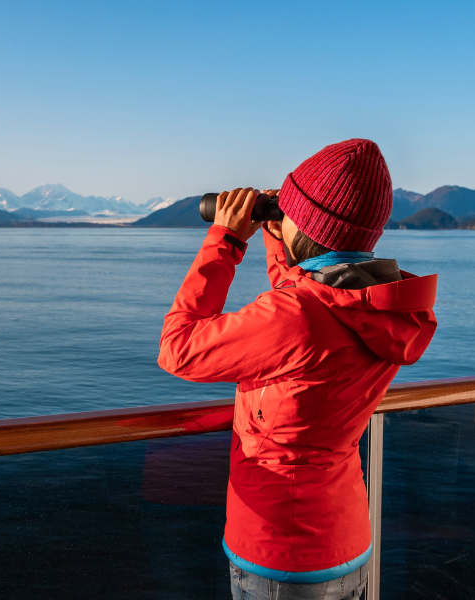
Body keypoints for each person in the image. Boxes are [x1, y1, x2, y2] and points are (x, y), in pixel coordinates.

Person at [157, 139, 438, 599]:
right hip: (345, 538)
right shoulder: (380, 305)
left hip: (279, 554)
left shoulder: (297, 316)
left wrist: (225, 242)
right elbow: (304, 299)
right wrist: (278, 234)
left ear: (305, 226)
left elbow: (178, 349)